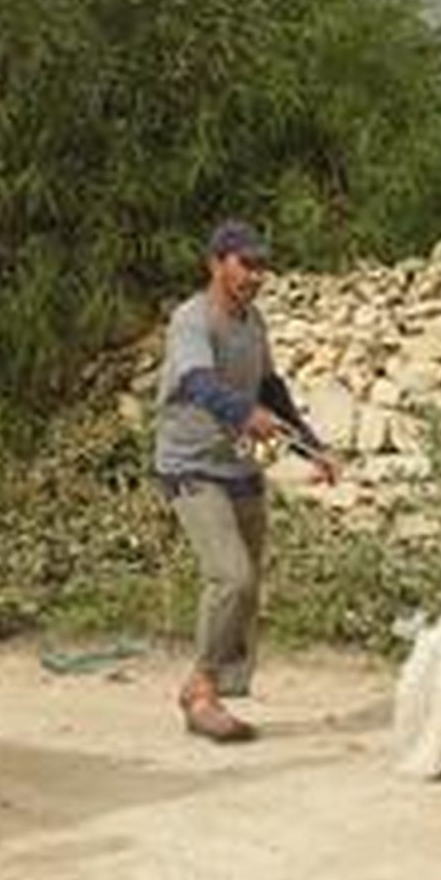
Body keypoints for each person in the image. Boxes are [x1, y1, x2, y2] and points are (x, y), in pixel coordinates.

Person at [153, 220, 339, 742]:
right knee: (230, 576)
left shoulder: (253, 321)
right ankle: (201, 690)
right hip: (190, 466)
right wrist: (244, 412)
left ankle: (221, 692)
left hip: (239, 464)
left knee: (249, 585)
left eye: (262, 266)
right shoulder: (192, 319)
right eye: (245, 264)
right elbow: (196, 382)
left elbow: (270, 388)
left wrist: (312, 446)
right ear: (216, 263)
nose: (256, 275)